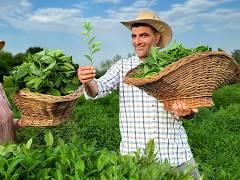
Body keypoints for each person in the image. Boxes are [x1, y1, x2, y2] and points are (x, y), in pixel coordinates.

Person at [77, 11, 200, 179]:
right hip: (137, 161)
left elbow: (189, 108)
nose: (137, 41)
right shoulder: (122, 67)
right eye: (133, 36)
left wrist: (187, 112)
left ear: (157, 38)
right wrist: (87, 81)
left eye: (144, 35)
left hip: (176, 157)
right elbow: (98, 89)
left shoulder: (173, 67)